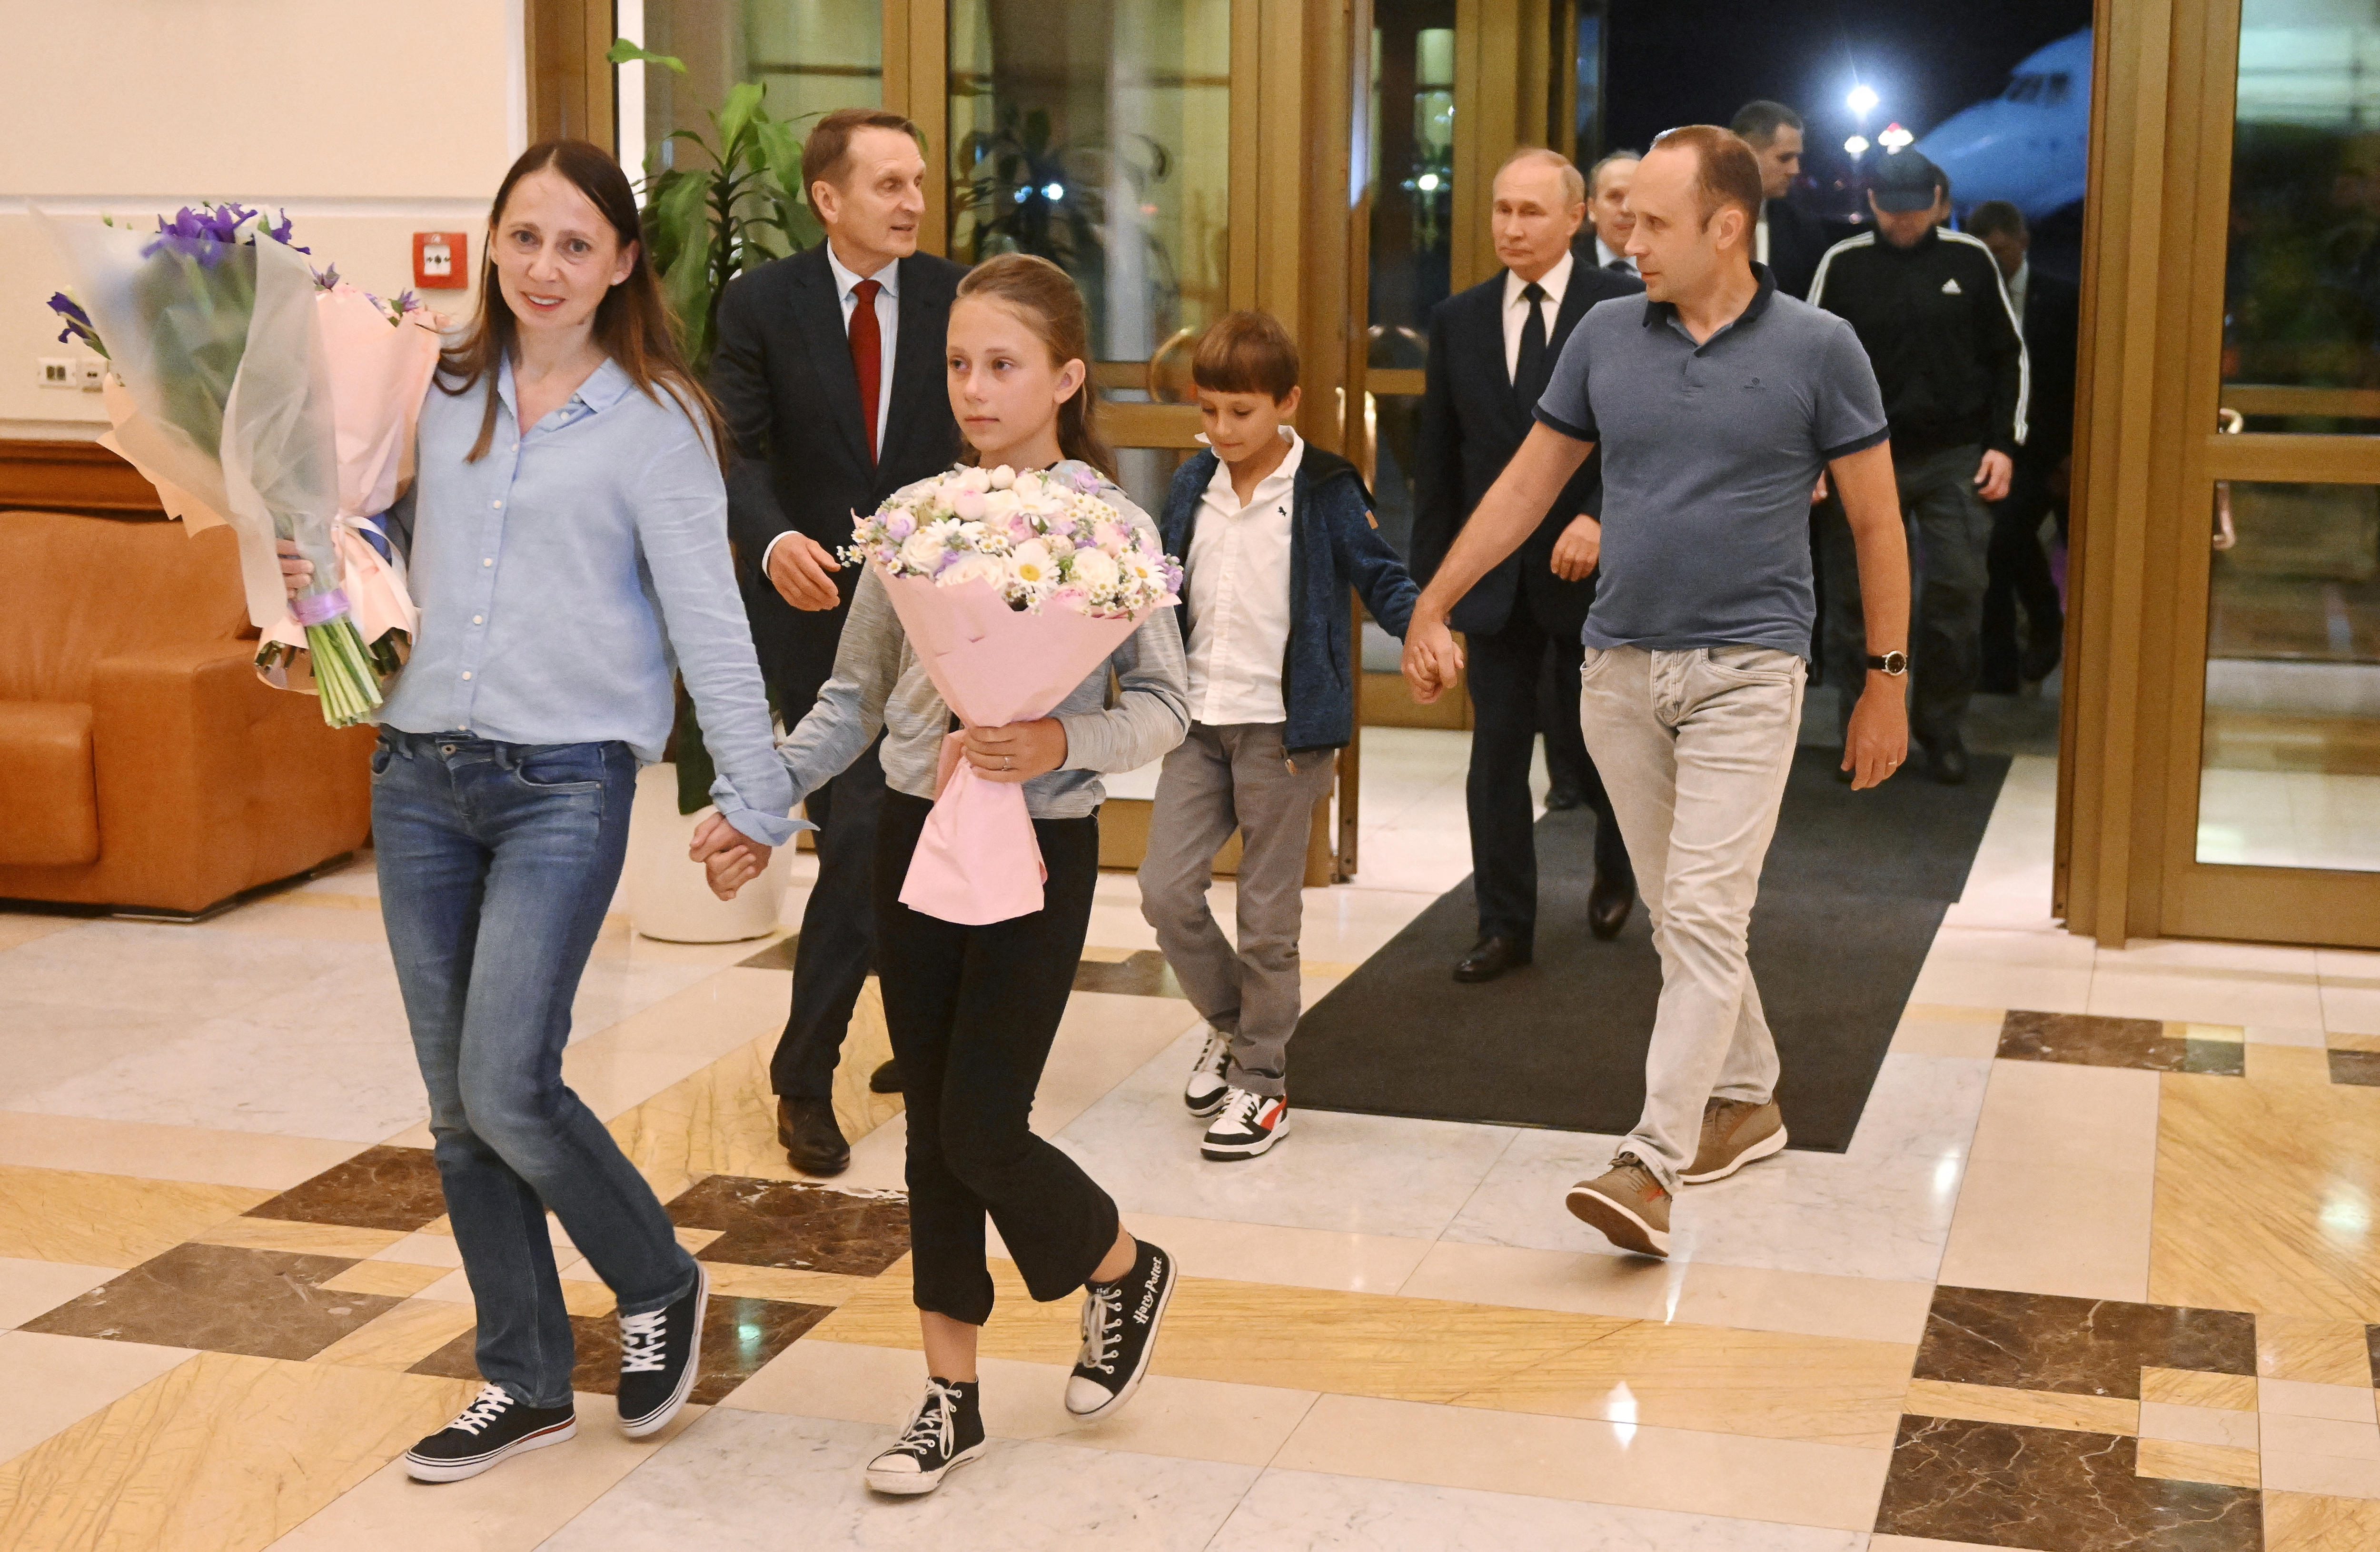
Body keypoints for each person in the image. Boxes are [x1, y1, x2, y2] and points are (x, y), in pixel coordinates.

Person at [278, 140, 798, 1480]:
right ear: (493, 245)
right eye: (524, 238)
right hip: (418, 777)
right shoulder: (434, 386)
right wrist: (298, 585)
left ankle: (655, 1277)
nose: (545, 268)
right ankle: (521, 1375)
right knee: (456, 1105)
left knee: (509, 1078)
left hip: (562, 783)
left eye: (576, 243)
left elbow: (709, 621)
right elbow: (370, 547)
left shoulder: (658, 420)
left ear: (624, 260)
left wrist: (760, 794)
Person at [695, 254, 1189, 1496]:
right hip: (914, 837)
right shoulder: (911, 517)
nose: (973, 386)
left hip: (1040, 846)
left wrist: (1061, 740)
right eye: (958, 362)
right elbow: (854, 693)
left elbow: (1169, 705)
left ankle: (1122, 1266)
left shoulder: (1109, 530)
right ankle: (948, 1398)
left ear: (1068, 378)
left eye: (1002, 364)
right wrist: (758, 797)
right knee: (931, 1143)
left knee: (980, 1122)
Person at [1402, 126, 1913, 1259]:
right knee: (1690, 926)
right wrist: (1431, 602)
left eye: (1653, 224)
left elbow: (1877, 523)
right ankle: (1751, 1094)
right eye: (1624, 220)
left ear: (1727, 228)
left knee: (1698, 912)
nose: (1625, 238)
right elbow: (1526, 487)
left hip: (1750, 669)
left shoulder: (1821, 347)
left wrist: (1884, 679)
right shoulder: (1602, 337)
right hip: (1619, 668)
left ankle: (1650, 1158)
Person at [711, 109, 970, 1177]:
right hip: (814, 610)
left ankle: (921, 1037)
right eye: (888, 185)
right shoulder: (761, 304)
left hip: (944, 610)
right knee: (861, 825)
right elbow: (730, 442)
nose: (912, 202)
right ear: (828, 198)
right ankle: (804, 1076)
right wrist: (770, 538)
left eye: (918, 183)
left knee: (940, 818)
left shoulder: (961, 297)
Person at [1140, 310, 1420, 1160]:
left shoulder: (1326, 489)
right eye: (1210, 411)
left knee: (1267, 917)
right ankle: (1237, 1029)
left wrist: (1426, 630)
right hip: (1200, 720)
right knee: (1164, 891)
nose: (1222, 431)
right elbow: (1153, 583)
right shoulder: (1193, 484)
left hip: (1285, 733)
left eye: (1242, 413)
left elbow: (1382, 576)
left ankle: (1263, 1085)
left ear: (1288, 403)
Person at [1413, 147, 1643, 984]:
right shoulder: (1459, 319)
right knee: (1497, 758)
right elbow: (1438, 467)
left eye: (1531, 212)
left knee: (1609, 748)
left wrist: (1600, 516)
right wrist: (1425, 598)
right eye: (1502, 209)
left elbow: (1648, 443)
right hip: (1497, 582)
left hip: (1598, 575)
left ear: (1576, 217)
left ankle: (1621, 872)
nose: (1511, 227)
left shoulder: (1622, 307)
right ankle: (1504, 923)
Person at [1808, 152, 2028, 785]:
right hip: (1858, 453)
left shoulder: (1970, 260)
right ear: (1872, 201)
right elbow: (1809, 365)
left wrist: (2003, 445)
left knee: (1958, 589)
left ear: (1939, 200)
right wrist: (1812, 457)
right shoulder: (1843, 264)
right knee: (1855, 603)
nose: (1903, 221)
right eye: (1890, 208)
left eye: (1915, 208)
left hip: (1955, 453)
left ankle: (1938, 724)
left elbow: (2009, 357)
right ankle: (1864, 728)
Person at [1966, 199, 2076, 689]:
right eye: (1983, 253)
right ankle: (2011, 653)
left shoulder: (2062, 297)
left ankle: (2046, 628)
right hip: (1996, 446)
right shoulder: (1969, 299)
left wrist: (2072, 453)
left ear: (2022, 241)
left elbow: (2079, 379)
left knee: (2010, 538)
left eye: (2001, 250)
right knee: (2002, 539)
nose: (1994, 261)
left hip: (2052, 446)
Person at [1730, 101, 1829, 300]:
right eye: (1785, 158)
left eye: (1797, 158)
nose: (1795, 170)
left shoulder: (1803, 230)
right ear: (1742, 152)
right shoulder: (1693, 221)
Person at [1579, 150, 1642, 275]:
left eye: (1637, 196)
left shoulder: (1675, 268)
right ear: (1592, 208)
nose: (1626, 209)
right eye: (1615, 196)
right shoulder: (1568, 269)